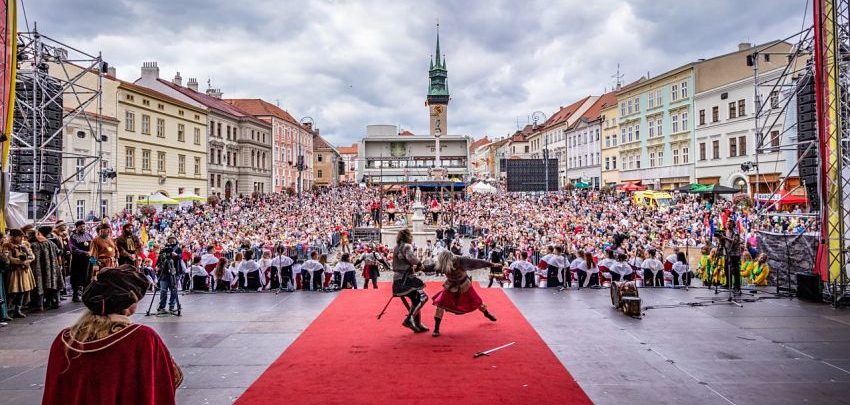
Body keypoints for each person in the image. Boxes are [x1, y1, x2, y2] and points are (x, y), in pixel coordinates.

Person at [42, 266, 182, 405]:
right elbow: (167, 379)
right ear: (129, 302)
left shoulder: (65, 339)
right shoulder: (142, 338)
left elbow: (55, 394)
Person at [425, 250, 498, 337]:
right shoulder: (441, 264)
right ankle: (436, 328)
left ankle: (486, 313)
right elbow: (429, 267)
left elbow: (477, 262)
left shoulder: (461, 260)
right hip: (450, 285)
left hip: (464, 284)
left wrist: (490, 264)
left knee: (477, 301)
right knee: (440, 304)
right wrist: (419, 267)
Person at [392, 229, 429, 333]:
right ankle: (409, 319)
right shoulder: (407, 246)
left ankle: (417, 324)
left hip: (397, 281)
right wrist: (420, 264)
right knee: (423, 297)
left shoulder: (396, 248)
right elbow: (410, 257)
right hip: (406, 279)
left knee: (416, 299)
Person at [2, 229, 35, 318]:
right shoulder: (8, 246)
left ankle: (18, 310)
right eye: (19, 236)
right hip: (15, 272)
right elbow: (9, 259)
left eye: (22, 236)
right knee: (13, 292)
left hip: (24, 271)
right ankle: (6, 311)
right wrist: (21, 262)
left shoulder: (25, 245)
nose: (21, 238)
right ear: (13, 237)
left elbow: (32, 256)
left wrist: (28, 258)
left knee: (22, 291)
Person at [30, 225, 64, 311]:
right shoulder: (51, 243)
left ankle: (39, 305)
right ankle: (56, 302)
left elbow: (34, 258)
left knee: (40, 285)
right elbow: (59, 252)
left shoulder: (34, 244)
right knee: (53, 284)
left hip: (40, 269)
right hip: (53, 268)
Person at [156, 236, 182, 314]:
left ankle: (172, 307)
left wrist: (176, 255)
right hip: (164, 273)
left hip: (174, 273)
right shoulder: (164, 250)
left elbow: (180, 257)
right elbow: (159, 261)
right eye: (170, 241)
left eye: (173, 241)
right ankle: (162, 307)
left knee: (173, 291)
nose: (171, 242)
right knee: (163, 291)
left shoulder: (178, 249)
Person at [69, 221, 93, 302]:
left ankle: (86, 294)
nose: (83, 228)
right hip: (78, 260)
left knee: (88, 276)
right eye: (81, 227)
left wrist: (94, 260)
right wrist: (84, 252)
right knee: (77, 277)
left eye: (83, 226)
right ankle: (75, 295)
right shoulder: (73, 237)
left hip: (89, 259)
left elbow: (93, 246)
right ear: (77, 227)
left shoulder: (89, 235)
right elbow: (73, 248)